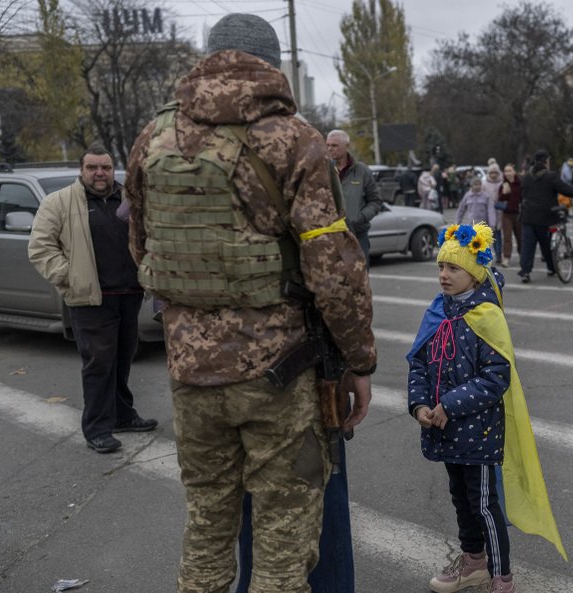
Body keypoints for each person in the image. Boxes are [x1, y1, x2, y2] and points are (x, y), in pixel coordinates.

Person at [124, 14, 377, 592]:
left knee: (208, 530)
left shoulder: (151, 138)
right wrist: (359, 362)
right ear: (272, 64)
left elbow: (142, 247)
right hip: (279, 378)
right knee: (283, 548)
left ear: (209, 57)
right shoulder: (294, 138)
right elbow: (333, 271)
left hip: (190, 374)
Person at [407, 222, 565, 593]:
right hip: (443, 429)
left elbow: (496, 377)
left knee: (485, 507)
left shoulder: (485, 316)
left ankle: (501, 577)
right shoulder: (437, 312)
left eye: (454, 268)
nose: (444, 275)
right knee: (460, 499)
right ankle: (473, 563)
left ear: (474, 274)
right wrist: (419, 404)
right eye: (441, 267)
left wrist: (447, 404)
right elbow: (418, 362)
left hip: (477, 432)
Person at [28, 146, 157, 454]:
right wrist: (72, 276)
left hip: (129, 294)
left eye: (106, 167)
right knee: (98, 363)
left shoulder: (130, 200)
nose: (100, 173)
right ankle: (97, 428)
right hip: (90, 299)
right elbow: (40, 248)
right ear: (81, 170)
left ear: (114, 170)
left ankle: (123, 415)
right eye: (92, 167)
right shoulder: (59, 202)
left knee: (123, 358)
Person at [518, 149, 573, 283]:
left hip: (527, 216)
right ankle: (552, 268)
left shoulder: (527, 176)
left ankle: (525, 272)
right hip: (546, 216)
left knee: (528, 245)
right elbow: (566, 190)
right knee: (547, 244)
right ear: (546, 161)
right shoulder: (551, 176)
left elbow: (522, 194)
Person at [326, 129, 382, 261]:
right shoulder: (322, 170)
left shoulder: (361, 171)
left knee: (359, 278)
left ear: (347, 146)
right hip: (330, 236)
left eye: (334, 145)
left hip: (357, 236)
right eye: (327, 145)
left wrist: (359, 217)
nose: (330, 149)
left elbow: (376, 201)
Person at [498, 163, 523, 268]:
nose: (507, 173)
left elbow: (523, 197)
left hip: (518, 213)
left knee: (520, 237)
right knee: (507, 237)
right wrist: (504, 193)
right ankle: (506, 258)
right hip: (507, 214)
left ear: (514, 172)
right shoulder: (503, 184)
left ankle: (523, 256)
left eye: (510, 170)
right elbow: (500, 200)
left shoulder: (520, 184)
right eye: (506, 171)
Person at [482, 164, 505, 264]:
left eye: (495, 172)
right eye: (491, 172)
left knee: (498, 234)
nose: (493, 175)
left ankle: (499, 254)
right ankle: (489, 254)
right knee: (492, 235)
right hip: (488, 212)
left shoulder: (502, 183)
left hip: (500, 212)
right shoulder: (484, 184)